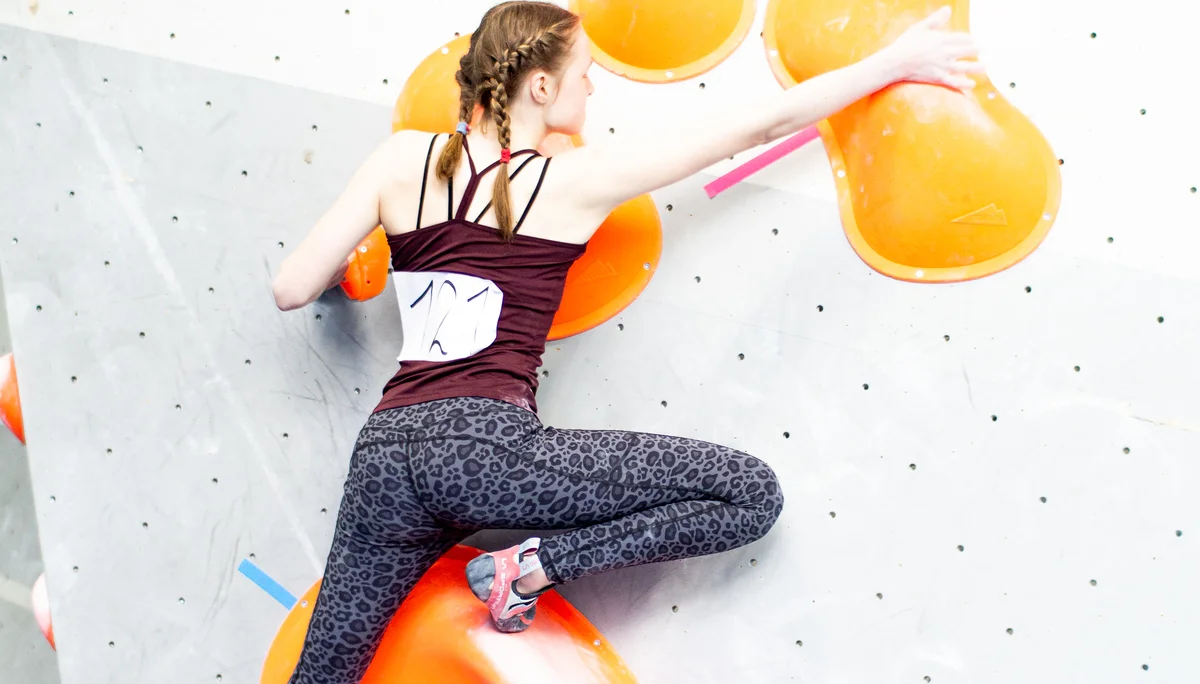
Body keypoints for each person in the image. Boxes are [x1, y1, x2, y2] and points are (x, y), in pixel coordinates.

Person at [271, 2, 981, 681]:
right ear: (541, 84)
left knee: (323, 672)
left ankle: (523, 566)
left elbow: (291, 287)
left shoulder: (402, 161)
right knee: (748, 494)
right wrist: (895, 62)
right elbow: (762, 123)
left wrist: (346, 269)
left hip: (385, 463)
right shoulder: (577, 181)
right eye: (584, 75)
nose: (590, 89)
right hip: (488, 450)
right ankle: (531, 567)